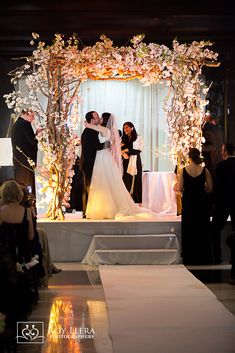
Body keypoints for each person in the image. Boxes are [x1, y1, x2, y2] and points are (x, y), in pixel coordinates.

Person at [84, 113, 150, 220]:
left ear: (105, 120)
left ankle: (106, 209)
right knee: (103, 183)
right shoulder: (103, 130)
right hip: (102, 157)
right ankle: (103, 207)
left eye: (101, 118)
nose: (99, 119)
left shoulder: (105, 131)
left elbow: (91, 127)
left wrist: (87, 124)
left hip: (103, 158)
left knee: (105, 182)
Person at [178, 148, 213, 265]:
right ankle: (203, 255)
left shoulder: (184, 171)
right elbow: (210, 188)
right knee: (202, 228)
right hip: (202, 204)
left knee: (189, 228)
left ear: (189, 157)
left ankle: (189, 255)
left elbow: (180, 188)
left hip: (189, 203)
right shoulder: (204, 170)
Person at [211, 143, 235, 266]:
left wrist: (214, 203)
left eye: (222, 150)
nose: (221, 152)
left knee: (216, 229)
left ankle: (217, 256)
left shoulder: (221, 166)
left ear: (225, 152)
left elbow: (217, 186)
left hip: (223, 202)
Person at [80, 111, 104, 218]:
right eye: (97, 117)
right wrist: (110, 144)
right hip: (89, 163)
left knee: (89, 187)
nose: (99, 118)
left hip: (89, 162)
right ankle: (88, 211)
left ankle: (89, 211)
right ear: (92, 120)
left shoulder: (91, 130)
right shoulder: (90, 131)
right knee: (89, 187)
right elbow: (98, 146)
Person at [11, 109, 38, 197]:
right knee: (28, 184)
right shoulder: (25, 124)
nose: (33, 119)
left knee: (20, 183)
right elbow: (32, 141)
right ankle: (29, 205)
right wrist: (38, 135)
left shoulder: (16, 124)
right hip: (26, 161)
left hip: (19, 161)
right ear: (26, 114)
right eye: (32, 116)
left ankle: (22, 203)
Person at [121, 122, 144, 204]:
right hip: (125, 161)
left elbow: (138, 150)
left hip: (135, 161)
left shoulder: (138, 138)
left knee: (136, 180)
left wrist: (126, 150)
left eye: (127, 127)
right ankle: (125, 201)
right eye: (124, 128)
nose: (125, 129)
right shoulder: (123, 138)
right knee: (125, 180)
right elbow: (119, 149)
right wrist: (123, 153)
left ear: (132, 128)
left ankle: (137, 202)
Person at [201, 112, 224, 180]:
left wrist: (198, 147)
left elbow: (213, 146)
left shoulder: (208, 128)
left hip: (211, 161)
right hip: (218, 160)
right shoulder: (218, 128)